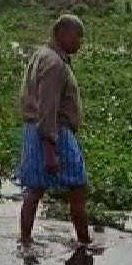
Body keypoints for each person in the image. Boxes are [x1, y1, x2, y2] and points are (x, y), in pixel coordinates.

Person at [18, 14, 90, 245]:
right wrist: (51, 152)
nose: (80, 43)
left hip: (36, 131)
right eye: (78, 37)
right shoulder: (55, 65)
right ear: (64, 34)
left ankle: (25, 240)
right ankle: (84, 242)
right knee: (78, 186)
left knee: (35, 190)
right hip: (53, 133)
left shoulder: (44, 55)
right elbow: (48, 108)